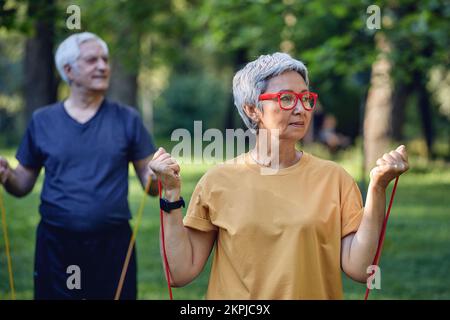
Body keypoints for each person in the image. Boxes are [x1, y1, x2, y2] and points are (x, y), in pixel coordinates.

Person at [148, 52, 409, 299]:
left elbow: (360, 267)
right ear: (252, 109)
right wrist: (170, 194)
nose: (301, 109)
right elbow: (179, 273)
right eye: (286, 98)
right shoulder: (217, 181)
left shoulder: (335, 178)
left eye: (305, 98)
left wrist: (377, 188)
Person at [0, 32, 158, 300]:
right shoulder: (42, 121)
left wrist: (158, 174)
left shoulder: (127, 119)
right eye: (92, 60)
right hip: (56, 245)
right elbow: (22, 184)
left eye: (105, 59)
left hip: (113, 245)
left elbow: (151, 185)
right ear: (69, 70)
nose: (103, 66)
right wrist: (5, 175)